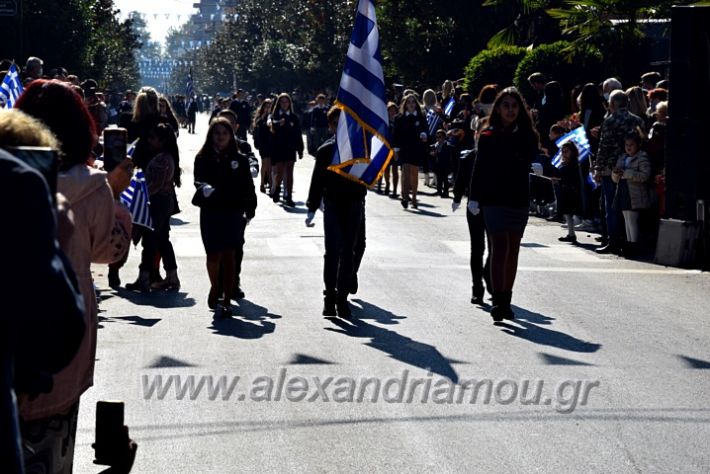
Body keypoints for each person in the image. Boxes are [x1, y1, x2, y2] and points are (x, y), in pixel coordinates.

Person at [15, 79, 133, 473]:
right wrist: (118, 205)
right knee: (53, 445)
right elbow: (108, 251)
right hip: (57, 339)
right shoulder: (91, 185)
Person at [468, 87, 539, 322]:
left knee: (513, 250)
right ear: (498, 108)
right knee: (499, 247)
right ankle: (497, 300)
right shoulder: (488, 136)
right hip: (493, 200)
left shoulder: (529, 136)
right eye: (506, 105)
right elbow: (479, 169)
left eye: (514, 106)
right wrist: (474, 198)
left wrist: (539, 164)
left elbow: (533, 159)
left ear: (521, 109)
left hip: (518, 199)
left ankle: (506, 298)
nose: (510, 110)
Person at [305, 107, 367, 318]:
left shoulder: (360, 150)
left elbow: (366, 178)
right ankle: (329, 298)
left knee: (348, 252)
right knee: (332, 253)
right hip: (332, 204)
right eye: (334, 123)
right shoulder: (325, 150)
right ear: (330, 126)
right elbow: (317, 181)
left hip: (354, 204)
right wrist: (312, 207)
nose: (338, 127)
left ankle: (342, 299)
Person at [193, 118, 257, 316]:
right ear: (211, 135)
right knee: (213, 254)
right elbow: (198, 180)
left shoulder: (240, 159)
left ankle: (227, 299)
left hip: (233, 211)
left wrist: (250, 209)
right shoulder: (202, 157)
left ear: (231, 136)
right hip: (211, 210)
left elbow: (248, 187)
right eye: (217, 133)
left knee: (229, 255)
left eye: (224, 133)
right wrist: (204, 188)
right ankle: (215, 286)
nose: (220, 137)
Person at [128, 124, 182, 292]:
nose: (150, 141)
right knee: (162, 239)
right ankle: (172, 276)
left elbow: (155, 185)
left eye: (153, 138)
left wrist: (138, 192)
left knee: (151, 240)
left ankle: (144, 278)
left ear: (162, 140)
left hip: (157, 202)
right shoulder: (163, 156)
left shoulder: (162, 160)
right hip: (163, 202)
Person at [593, 90, 645, 255]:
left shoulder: (610, 121)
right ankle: (629, 241)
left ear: (613, 104)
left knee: (611, 207)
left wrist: (598, 168)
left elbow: (604, 146)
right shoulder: (638, 120)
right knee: (628, 208)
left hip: (612, 169)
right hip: (632, 167)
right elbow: (643, 141)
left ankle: (613, 241)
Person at [452, 116, 491, 305]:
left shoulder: (496, 158)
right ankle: (477, 288)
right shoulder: (468, 157)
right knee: (477, 248)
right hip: (474, 207)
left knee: (494, 247)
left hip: (493, 207)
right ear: (475, 135)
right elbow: (460, 180)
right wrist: (457, 198)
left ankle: (489, 273)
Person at [612, 130, 651, 257]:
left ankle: (634, 246)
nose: (628, 148)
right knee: (626, 220)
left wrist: (627, 173)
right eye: (626, 145)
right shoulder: (623, 157)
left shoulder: (642, 157)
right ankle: (628, 245)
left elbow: (645, 175)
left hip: (634, 194)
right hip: (623, 191)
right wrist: (616, 173)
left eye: (631, 145)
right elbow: (615, 178)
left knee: (633, 221)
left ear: (638, 145)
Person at [269, 93, 304, 207]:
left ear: (289, 103)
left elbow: (298, 134)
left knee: (289, 173)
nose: (284, 104)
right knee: (279, 172)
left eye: (286, 101)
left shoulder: (294, 117)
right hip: (278, 148)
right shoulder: (275, 115)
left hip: (290, 148)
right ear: (279, 103)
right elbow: (271, 126)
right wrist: (278, 123)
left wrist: (300, 149)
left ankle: (289, 196)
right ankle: (277, 189)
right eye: (282, 102)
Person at [394, 94, 429, 209]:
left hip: (416, 148)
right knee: (405, 172)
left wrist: (424, 135)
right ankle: (405, 197)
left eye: (413, 102)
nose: (411, 104)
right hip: (404, 149)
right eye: (408, 102)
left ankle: (414, 197)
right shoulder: (399, 118)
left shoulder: (421, 116)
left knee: (414, 172)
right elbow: (396, 135)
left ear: (416, 104)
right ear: (405, 104)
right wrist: (396, 150)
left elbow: (425, 129)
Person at [553, 142, 584, 243]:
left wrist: (559, 179)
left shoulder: (573, 164)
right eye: (563, 152)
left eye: (567, 152)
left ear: (572, 152)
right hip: (565, 191)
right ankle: (571, 234)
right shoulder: (565, 164)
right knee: (567, 214)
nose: (564, 154)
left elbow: (570, 178)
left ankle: (571, 234)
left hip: (571, 192)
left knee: (569, 213)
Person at [253, 99, 274, 194]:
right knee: (265, 164)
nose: (268, 108)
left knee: (270, 165)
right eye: (266, 106)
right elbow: (257, 129)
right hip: (263, 143)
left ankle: (270, 183)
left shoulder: (272, 117)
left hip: (271, 143)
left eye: (269, 106)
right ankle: (262, 183)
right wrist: (263, 117)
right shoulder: (260, 118)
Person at [383, 102, 400, 197]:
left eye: (394, 110)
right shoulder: (385, 122)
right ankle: (387, 185)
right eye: (390, 110)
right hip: (386, 147)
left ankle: (394, 189)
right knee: (386, 168)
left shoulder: (398, 122)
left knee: (395, 169)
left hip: (395, 148)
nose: (392, 112)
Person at [431, 129, 453, 198]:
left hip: (445, 164)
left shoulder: (447, 145)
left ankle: (446, 192)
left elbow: (447, 155)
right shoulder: (435, 145)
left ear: (443, 137)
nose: (438, 138)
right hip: (438, 163)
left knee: (444, 178)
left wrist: (437, 154)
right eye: (437, 137)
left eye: (439, 136)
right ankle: (439, 191)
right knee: (438, 178)